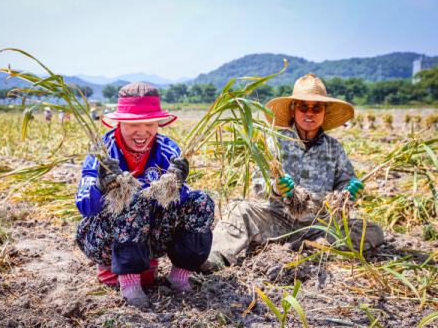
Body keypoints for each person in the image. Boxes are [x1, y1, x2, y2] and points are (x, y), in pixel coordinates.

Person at [200, 74, 384, 272]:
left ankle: (302, 245)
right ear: (293, 110)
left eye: (317, 107)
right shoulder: (275, 142)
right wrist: (275, 188)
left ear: (325, 112)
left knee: (373, 231)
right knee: (238, 210)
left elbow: (345, 182)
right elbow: (257, 182)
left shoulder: (334, 148)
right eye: (303, 107)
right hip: (275, 219)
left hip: (318, 225)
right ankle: (215, 257)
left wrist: (349, 192)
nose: (310, 113)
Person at [75, 83, 214, 308]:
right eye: (133, 124)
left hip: (150, 236)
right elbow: (85, 207)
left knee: (201, 201)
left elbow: (180, 203)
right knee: (131, 195)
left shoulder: (168, 150)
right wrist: (101, 187)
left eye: (150, 123)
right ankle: (129, 281)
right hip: (105, 240)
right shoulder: (102, 151)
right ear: (120, 122)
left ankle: (179, 277)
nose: (142, 132)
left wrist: (176, 186)